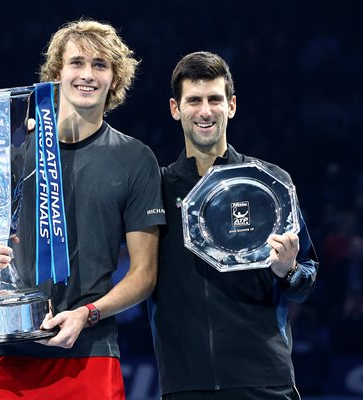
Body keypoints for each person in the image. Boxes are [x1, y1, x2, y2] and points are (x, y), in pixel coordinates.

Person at [0, 19, 165, 400]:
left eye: (100, 65)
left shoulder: (135, 158)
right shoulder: (11, 153)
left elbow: (145, 274)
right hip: (6, 353)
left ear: (114, 79)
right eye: (76, 63)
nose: (87, 74)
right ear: (57, 73)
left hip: (88, 352)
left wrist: (88, 313)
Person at [148, 51, 318, 400]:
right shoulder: (155, 188)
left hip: (264, 381)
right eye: (194, 100)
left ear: (232, 105)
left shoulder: (270, 184)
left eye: (215, 99)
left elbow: (305, 281)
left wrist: (288, 270)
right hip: (185, 384)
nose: (205, 111)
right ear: (175, 108)